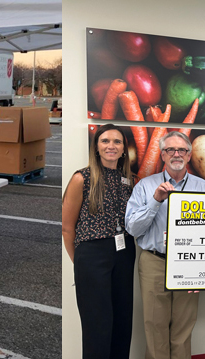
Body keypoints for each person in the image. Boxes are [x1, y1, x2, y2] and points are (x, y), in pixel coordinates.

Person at [125, 131, 205, 359]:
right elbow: (133, 229)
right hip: (155, 260)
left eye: (182, 150)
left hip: (189, 263)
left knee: (184, 326)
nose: (176, 154)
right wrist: (155, 201)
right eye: (170, 150)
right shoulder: (145, 186)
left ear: (189, 154)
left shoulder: (203, 187)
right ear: (162, 155)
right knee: (155, 324)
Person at [63, 124, 135, 359]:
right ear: (96, 147)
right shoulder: (81, 178)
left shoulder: (130, 180)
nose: (111, 146)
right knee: (97, 327)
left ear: (124, 148)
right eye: (105, 141)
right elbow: (67, 227)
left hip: (124, 253)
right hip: (91, 255)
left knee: (122, 323)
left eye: (116, 142)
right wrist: (80, 263)